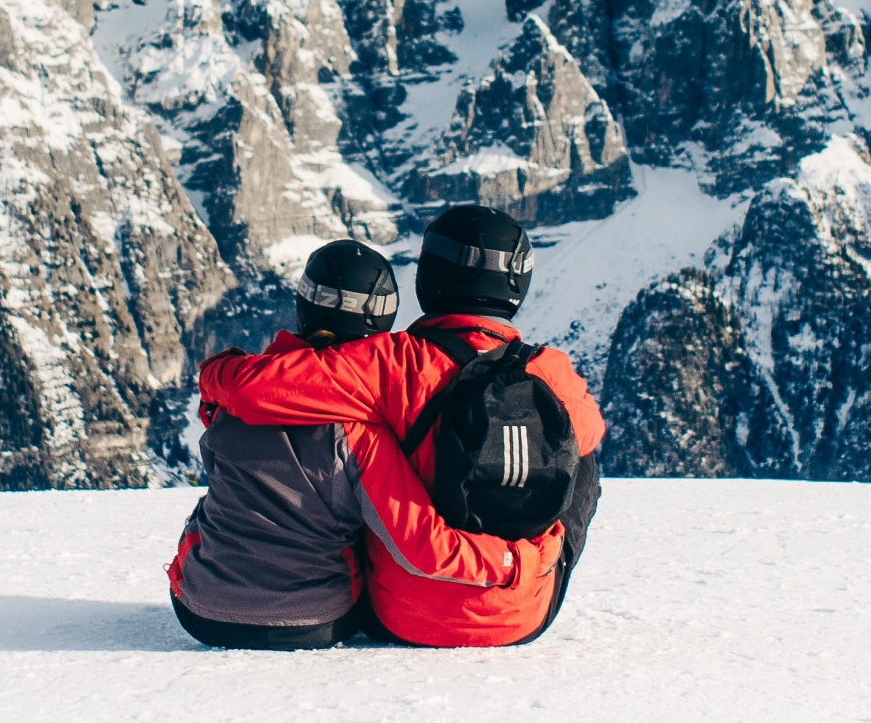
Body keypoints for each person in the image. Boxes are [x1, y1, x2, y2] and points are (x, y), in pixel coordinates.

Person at [196, 204, 604, 648]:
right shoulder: (551, 370)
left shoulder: (389, 362)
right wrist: (524, 557)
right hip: (524, 610)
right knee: (581, 458)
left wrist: (220, 368)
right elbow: (591, 432)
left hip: (404, 616)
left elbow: (252, 388)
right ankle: (526, 581)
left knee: (358, 452)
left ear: (429, 276)